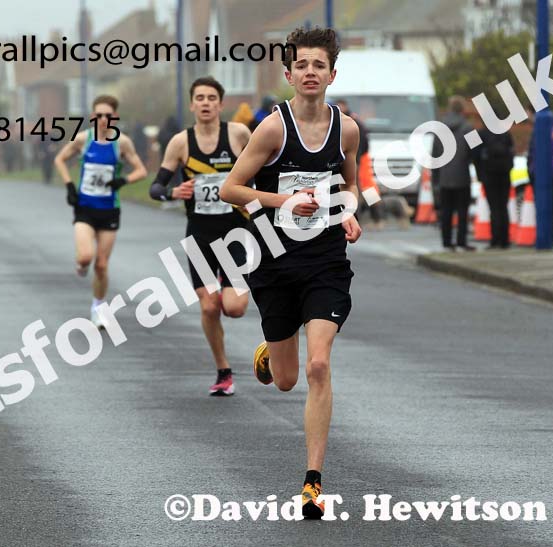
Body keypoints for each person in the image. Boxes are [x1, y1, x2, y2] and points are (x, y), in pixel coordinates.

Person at [220, 26, 362, 519]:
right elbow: (231, 190)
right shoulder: (273, 129)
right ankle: (269, 351)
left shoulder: (346, 129)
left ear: (332, 74)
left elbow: (352, 185)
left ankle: (313, 483)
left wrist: (347, 211)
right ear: (288, 74)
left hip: (325, 260)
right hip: (274, 261)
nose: (309, 72)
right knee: (284, 381)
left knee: (318, 365)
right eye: (301, 64)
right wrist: (287, 202)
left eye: (318, 65)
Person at [149, 76, 252, 397]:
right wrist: (172, 192)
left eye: (211, 98)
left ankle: (230, 286)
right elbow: (156, 187)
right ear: (192, 104)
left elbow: (264, 170)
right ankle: (224, 371)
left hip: (235, 233)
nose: (206, 103)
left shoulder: (238, 135)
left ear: (221, 104)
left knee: (233, 308)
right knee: (209, 309)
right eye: (200, 98)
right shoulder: (180, 143)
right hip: (200, 236)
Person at [54, 95, 148, 327]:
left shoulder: (122, 143)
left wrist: (123, 181)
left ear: (114, 117)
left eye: (108, 116)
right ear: (92, 116)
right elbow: (60, 159)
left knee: (102, 264)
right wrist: (69, 186)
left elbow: (141, 170)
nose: (103, 120)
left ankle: (97, 306)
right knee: (86, 257)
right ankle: (81, 263)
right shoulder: (83, 140)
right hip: (85, 207)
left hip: (109, 210)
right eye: (98, 115)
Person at [432, 96, 476, 251]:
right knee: (462, 210)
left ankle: (446, 241)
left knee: (446, 211)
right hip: (462, 175)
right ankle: (461, 241)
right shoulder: (469, 128)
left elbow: (435, 155)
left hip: (444, 177)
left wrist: (435, 180)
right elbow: (476, 152)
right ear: (462, 110)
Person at [336, 99, 383, 228]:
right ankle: (361, 217)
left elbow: (364, 141)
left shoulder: (352, 122)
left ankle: (376, 217)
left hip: (359, 161)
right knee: (359, 190)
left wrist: (358, 157)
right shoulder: (342, 120)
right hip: (355, 160)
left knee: (367, 190)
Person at [475, 127, 514, 249]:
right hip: (504, 175)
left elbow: (473, 154)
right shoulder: (506, 133)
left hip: (489, 175)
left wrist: (480, 174)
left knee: (493, 207)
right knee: (503, 206)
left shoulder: (480, 133)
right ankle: (505, 240)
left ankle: (495, 239)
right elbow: (512, 152)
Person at [527, 124, 553, 245]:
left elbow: (536, 152)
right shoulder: (549, 130)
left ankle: (546, 237)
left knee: (544, 205)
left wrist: (531, 170)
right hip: (552, 172)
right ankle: (550, 236)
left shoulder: (541, 129)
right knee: (550, 206)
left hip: (545, 172)